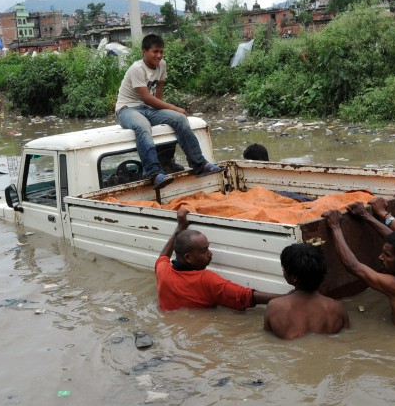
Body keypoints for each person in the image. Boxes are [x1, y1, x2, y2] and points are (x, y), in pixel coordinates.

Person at [115, 34, 221, 190]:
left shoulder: (161, 65)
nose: (158, 56)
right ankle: (154, 173)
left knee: (179, 119)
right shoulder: (137, 69)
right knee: (143, 126)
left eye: (161, 52)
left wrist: (166, 111)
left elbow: (158, 91)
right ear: (144, 51)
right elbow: (146, 98)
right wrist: (173, 107)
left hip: (147, 109)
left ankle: (199, 164)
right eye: (155, 52)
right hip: (127, 109)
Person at [323, 207, 395, 330]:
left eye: (387, 255)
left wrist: (335, 227)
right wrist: (366, 215)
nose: (380, 257)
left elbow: (352, 266)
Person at [155, 209, 281, 311]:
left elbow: (163, 256)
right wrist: (287, 298)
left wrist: (179, 228)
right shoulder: (206, 280)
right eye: (204, 251)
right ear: (188, 258)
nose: (210, 254)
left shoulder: (163, 271)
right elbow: (244, 296)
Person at [264, 242, 349, 339]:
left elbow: (268, 340)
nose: (283, 270)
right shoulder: (337, 308)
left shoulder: (275, 307)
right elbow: (347, 337)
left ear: (294, 277)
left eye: (284, 268)